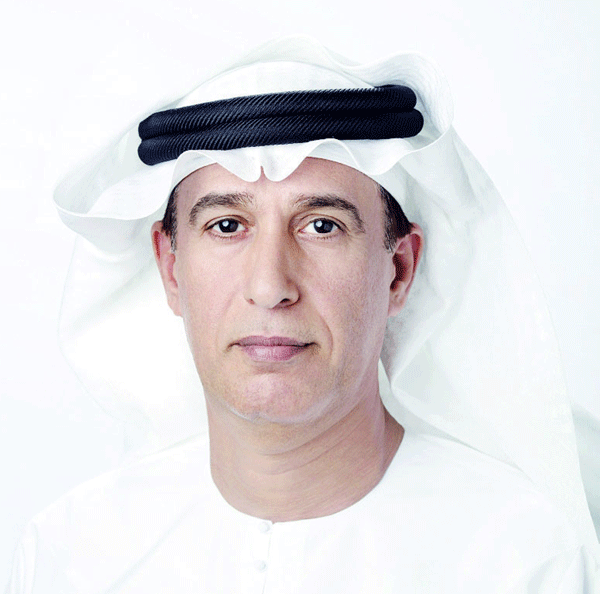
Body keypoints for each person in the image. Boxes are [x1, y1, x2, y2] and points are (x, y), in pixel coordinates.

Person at [6, 36, 599, 593]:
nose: (270, 287)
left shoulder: (525, 560)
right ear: (171, 268)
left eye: (321, 225)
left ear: (399, 270)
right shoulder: (69, 558)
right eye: (227, 225)